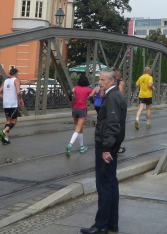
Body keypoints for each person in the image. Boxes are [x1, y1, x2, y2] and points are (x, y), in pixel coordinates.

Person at [80, 69, 127, 234]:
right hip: (111, 145)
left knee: (104, 185)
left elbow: (113, 124)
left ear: (111, 81)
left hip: (106, 146)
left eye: (102, 80)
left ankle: (101, 225)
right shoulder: (114, 95)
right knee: (111, 183)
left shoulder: (113, 97)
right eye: (99, 79)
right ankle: (112, 223)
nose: (99, 82)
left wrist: (106, 149)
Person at [0, 68, 23, 145]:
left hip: (5, 104)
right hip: (12, 104)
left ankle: (6, 138)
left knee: (8, 121)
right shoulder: (16, 80)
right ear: (16, 74)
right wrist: (20, 99)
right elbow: (18, 92)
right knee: (14, 121)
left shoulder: (5, 81)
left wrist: (6, 96)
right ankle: (3, 131)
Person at [67, 75, 92, 157]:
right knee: (78, 129)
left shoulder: (75, 88)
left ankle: (81, 147)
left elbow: (70, 94)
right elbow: (92, 98)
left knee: (80, 129)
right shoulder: (88, 89)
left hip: (75, 109)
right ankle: (70, 144)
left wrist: (71, 101)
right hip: (82, 110)